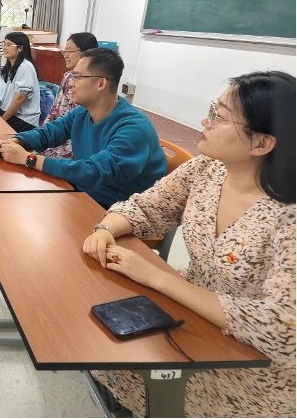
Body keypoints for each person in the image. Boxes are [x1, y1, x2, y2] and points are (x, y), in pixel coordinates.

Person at [83, 71, 295, 418]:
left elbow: (282, 327)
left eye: (218, 116)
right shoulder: (207, 169)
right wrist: (105, 228)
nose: (205, 122)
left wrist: (158, 277)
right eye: (212, 109)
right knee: (102, 342)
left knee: (134, 364)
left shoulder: (288, 217)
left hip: (250, 363)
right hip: (188, 313)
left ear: (261, 143)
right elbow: (146, 208)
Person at [0, 48, 166, 208]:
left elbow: (94, 171)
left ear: (101, 84)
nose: (70, 83)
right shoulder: (83, 112)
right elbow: (49, 133)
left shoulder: (134, 128)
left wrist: (29, 159)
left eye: (77, 77)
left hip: (117, 211)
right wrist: (17, 141)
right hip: (85, 194)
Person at [43, 32, 98, 158]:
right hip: (59, 132)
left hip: (73, 143)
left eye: (69, 51)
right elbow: (56, 109)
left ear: (86, 53)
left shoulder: (92, 82)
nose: (65, 55)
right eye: (64, 51)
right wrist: (44, 132)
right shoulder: (67, 76)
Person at [0, 32, 40, 132]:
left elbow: (20, 98)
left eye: (9, 45)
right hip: (7, 112)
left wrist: (2, 120)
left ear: (20, 48)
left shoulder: (25, 67)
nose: (5, 47)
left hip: (23, 119)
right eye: (4, 44)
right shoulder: (7, 68)